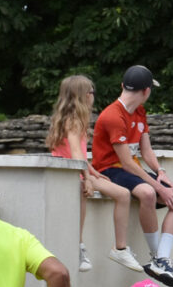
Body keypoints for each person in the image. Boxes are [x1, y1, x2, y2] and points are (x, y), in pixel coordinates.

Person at [90, 64, 173, 287]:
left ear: (123, 85)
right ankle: (157, 259)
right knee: (148, 193)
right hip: (110, 169)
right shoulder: (113, 116)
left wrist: (161, 173)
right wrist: (159, 187)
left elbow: (146, 151)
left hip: (130, 169)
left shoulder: (140, 112)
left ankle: (161, 259)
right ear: (146, 91)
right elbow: (125, 162)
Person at [45, 74, 139, 273]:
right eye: (92, 92)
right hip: (72, 173)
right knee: (114, 194)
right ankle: (83, 246)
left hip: (76, 169)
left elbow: (75, 153)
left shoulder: (71, 119)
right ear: (84, 95)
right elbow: (75, 152)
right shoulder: (74, 121)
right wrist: (87, 178)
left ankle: (119, 248)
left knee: (123, 194)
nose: (93, 96)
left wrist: (93, 172)